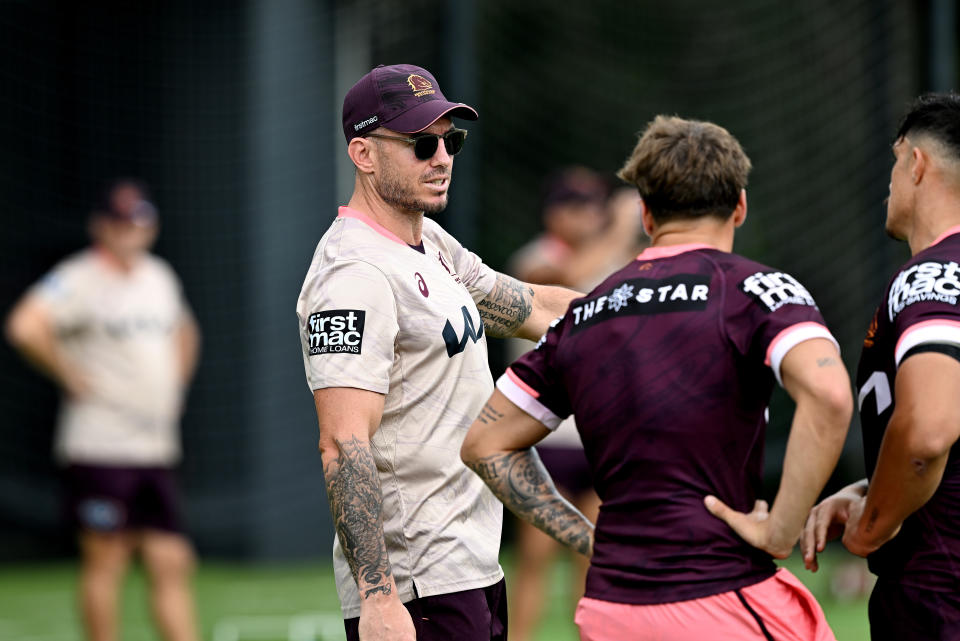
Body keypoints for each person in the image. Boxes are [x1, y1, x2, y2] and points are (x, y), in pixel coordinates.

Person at [461, 115, 853, 641]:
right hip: (723, 595)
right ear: (740, 204)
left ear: (645, 214)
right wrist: (779, 529)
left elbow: (485, 444)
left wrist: (588, 540)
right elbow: (829, 397)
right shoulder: (759, 290)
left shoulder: (587, 312)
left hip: (610, 611)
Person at [296, 63, 581, 641]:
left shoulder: (428, 242)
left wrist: (652, 307)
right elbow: (342, 443)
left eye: (450, 141)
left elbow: (531, 307)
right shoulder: (352, 274)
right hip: (417, 585)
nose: (442, 158)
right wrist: (378, 598)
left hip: (468, 562)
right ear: (364, 154)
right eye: (422, 143)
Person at [5, 178, 201, 641]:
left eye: (138, 222)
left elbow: (185, 332)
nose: (130, 231)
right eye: (120, 222)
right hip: (101, 447)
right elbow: (25, 326)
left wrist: (174, 384)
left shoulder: (159, 276)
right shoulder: (77, 277)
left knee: (171, 559)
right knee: (106, 559)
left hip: (154, 448)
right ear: (102, 226)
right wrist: (68, 371)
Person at [802, 92, 960, 641]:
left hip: (941, 594)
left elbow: (927, 434)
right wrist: (874, 488)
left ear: (916, 164)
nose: (887, 182)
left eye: (895, 162)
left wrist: (873, 525)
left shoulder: (933, 276)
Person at [504, 167, 643, 641]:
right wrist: (622, 230)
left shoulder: (617, 261)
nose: (588, 215)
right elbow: (571, 279)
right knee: (536, 558)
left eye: (594, 206)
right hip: (544, 435)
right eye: (576, 205)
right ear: (553, 212)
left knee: (595, 560)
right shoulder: (534, 260)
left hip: (599, 437)